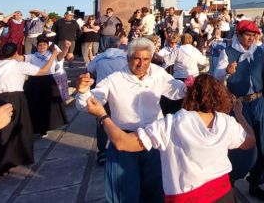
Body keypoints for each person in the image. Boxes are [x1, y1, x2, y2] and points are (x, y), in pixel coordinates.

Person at [85, 74, 256, 202]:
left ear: (189, 94)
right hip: (223, 194)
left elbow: (123, 143)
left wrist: (102, 115)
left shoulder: (170, 124)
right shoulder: (227, 122)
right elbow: (250, 142)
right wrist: (240, 115)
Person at [75, 37, 187, 203]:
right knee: (124, 194)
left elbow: (178, 91)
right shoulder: (115, 79)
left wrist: (194, 85)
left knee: (156, 190)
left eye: (146, 59)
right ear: (128, 58)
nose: (141, 64)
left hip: (154, 141)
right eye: (137, 59)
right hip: (123, 143)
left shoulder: (158, 73)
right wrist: (83, 92)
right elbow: (89, 104)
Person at [213, 20, 264, 201]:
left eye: (254, 35)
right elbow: (216, 75)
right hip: (238, 106)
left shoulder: (259, 51)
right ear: (239, 35)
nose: (251, 38)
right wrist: (226, 70)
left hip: (258, 102)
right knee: (240, 147)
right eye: (248, 34)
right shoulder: (228, 52)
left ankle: (255, 182)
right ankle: (230, 181)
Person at [0, 42, 58, 179]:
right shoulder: (18, 66)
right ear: (15, 53)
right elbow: (43, 71)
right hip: (14, 99)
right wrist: (53, 56)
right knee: (13, 131)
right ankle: (9, 162)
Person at [86, 36, 128, 165]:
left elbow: (89, 70)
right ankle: (123, 149)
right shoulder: (125, 56)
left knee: (102, 122)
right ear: (119, 44)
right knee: (123, 121)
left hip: (102, 94)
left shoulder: (100, 57)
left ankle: (102, 152)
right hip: (121, 93)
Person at [23, 36, 67, 137]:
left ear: (47, 46)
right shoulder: (32, 56)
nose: (42, 47)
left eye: (44, 45)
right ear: (37, 46)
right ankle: (35, 127)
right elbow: (22, 58)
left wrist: (66, 48)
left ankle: (44, 128)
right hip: (34, 83)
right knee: (35, 106)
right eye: (40, 45)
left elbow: (61, 56)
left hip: (48, 82)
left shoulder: (52, 55)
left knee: (47, 106)